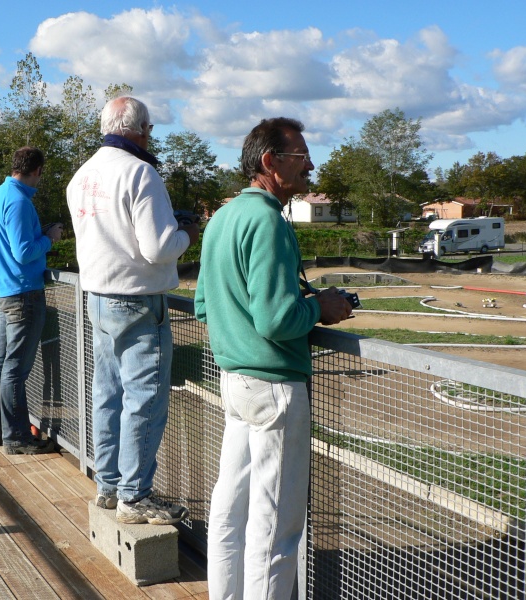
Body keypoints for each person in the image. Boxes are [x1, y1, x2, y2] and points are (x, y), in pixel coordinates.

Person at [194, 117, 352, 600]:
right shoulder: (267, 221)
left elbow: (203, 304)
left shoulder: (222, 217)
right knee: (276, 529)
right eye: (301, 157)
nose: (311, 166)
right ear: (270, 162)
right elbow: (277, 320)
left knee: (230, 511)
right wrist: (320, 307)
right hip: (275, 388)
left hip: (235, 381)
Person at [67, 96, 199, 525]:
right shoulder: (140, 172)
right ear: (140, 130)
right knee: (144, 400)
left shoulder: (82, 176)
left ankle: (108, 487)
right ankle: (135, 495)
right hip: (139, 302)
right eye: (149, 130)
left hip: (98, 299)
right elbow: (158, 248)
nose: (150, 137)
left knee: (108, 394)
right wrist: (186, 234)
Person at [0, 147, 63, 454]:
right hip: (22, 293)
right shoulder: (19, 202)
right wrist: (49, 238)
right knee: (14, 368)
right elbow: (24, 252)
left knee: (0, 363)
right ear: (37, 170)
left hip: (3, 291)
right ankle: (16, 438)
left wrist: (37, 235)